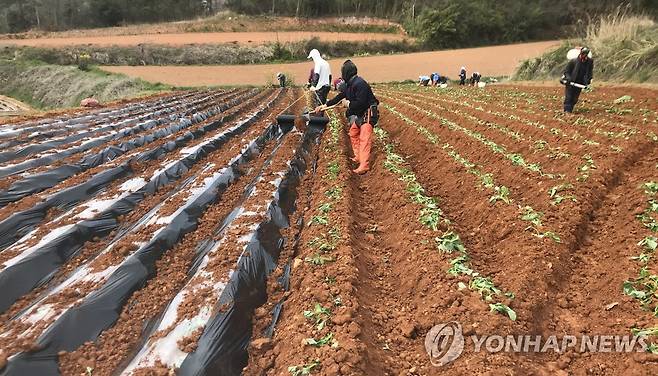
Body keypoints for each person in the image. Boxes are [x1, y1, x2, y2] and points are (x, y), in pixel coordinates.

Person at [315, 60, 379, 175]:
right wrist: (323, 106)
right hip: (360, 113)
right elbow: (339, 97)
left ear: (346, 73)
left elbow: (361, 103)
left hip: (368, 112)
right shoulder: (351, 84)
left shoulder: (360, 84)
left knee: (364, 138)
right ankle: (358, 157)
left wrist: (348, 104)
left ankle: (364, 165)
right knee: (353, 132)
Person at [562, 47, 594, 113]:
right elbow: (567, 71)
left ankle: (570, 109)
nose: (584, 55)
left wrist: (589, 79)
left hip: (580, 82)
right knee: (569, 97)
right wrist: (568, 78)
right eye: (583, 54)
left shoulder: (589, 62)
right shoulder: (573, 61)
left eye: (586, 54)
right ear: (580, 53)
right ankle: (567, 111)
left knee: (574, 99)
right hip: (571, 81)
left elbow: (589, 72)